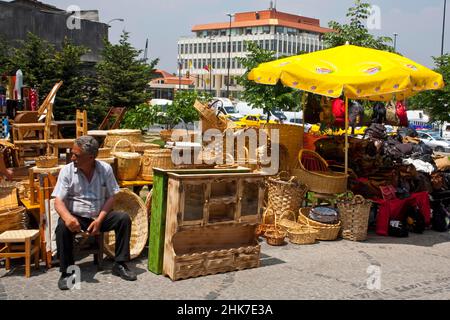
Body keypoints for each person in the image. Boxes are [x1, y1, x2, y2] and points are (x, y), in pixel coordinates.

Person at [53, 135, 136, 290]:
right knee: (62, 227)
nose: (72, 157)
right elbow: (58, 201)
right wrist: (68, 218)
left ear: (90, 157)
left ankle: (120, 263)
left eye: (76, 155)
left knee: (123, 219)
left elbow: (112, 197)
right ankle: (67, 272)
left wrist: (99, 220)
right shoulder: (67, 171)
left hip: (99, 216)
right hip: (76, 216)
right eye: (72, 153)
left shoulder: (105, 169)